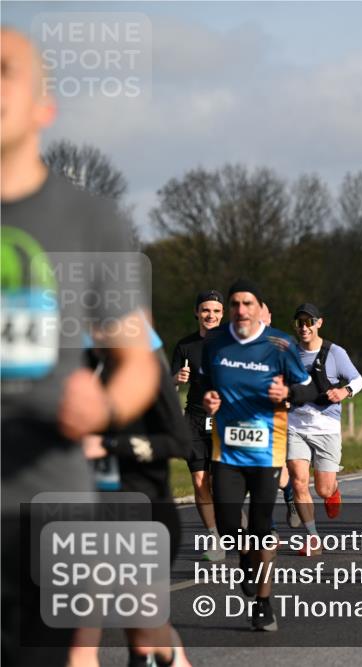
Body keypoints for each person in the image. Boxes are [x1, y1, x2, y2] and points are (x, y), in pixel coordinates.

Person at [1, 28, 161, 666]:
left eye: (4, 70)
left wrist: (104, 408)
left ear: (45, 105)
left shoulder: (91, 220)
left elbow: (136, 363)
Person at [201, 279, 317, 632]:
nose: (240, 310)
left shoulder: (279, 344)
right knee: (227, 526)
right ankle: (247, 560)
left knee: (262, 528)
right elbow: (209, 387)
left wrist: (289, 392)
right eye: (234, 304)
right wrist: (209, 400)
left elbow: (308, 387)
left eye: (247, 304)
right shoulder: (216, 342)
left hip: (267, 451)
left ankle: (264, 603)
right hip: (227, 449)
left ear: (257, 308)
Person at [73, 330, 193, 667]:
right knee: (78, 635)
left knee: (143, 631)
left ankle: (169, 654)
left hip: (143, 509)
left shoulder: (146, 369)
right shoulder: (65, 368)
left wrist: (111, 446)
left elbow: (180, 443)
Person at [287, 303, 362, 556]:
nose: (304, 327)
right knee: (298, 482)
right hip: (295, 425)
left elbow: (358, 380)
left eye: (309, 322)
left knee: (322, 489)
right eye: (300, 322)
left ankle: (333, 490)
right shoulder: (289, 353)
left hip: (326, 426)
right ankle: (313, 538)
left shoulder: (334, 352)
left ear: (319, 323)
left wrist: (344, 391)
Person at [170, 289, 226, 561]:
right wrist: (176, 378)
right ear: (196, 312)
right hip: (194, 417)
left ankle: (238, 530)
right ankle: (215, 540)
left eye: (215, 310)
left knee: (223, 483)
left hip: (225, 418)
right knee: (199, 480)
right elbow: (168, 384)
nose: (210, 315)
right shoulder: (184, 346)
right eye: (205, 310)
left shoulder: (232, 343)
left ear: (222, 314)